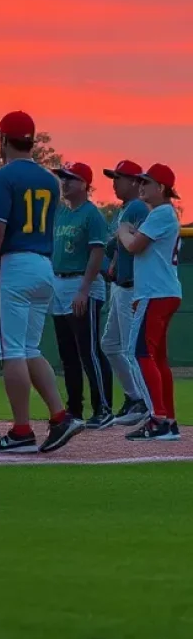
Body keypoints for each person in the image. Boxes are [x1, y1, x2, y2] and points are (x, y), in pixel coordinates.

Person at [0, 111, 85, 454]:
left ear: (4, 140)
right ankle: (60, 415)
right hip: (43, 266)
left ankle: (22, 430)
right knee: (30, 349)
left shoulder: (4, 175)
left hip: (15, 266)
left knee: (12, 353)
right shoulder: (50, 180)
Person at [118, 164, 182, 441]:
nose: (142, 186)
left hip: (155, 293)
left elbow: (133, 246)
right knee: (157, 359)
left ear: (162, 188)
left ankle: (158, 420)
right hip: (163, 292)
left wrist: (122, 230)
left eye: (148, 182)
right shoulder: (164, 214)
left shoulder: (162, 213)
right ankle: (167, 419)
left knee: (138, 354)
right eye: (141, 182)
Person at [51, 162, 113, 427]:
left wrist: (84, 290)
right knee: (68, 354)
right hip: (59, 283)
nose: (65, 182)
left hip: (82, 284)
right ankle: (74, 409)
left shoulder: (92, 215)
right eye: (63, 178)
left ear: (85, 184)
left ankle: (104, 408)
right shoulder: (62, 214)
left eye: (71, 178)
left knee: (88, 350)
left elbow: (97, 253)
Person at [101, 160, 151, 426]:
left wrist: (117, 251)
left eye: (119, 178)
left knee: (132, 349)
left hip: (131, 287)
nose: (114, 182)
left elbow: (139, 243)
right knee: (109, 345)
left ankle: (144, 402)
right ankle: (134, 397)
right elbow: (118, 246)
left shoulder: (137, 207)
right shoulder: (124, 209)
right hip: (119, 285)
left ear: (134, 182)